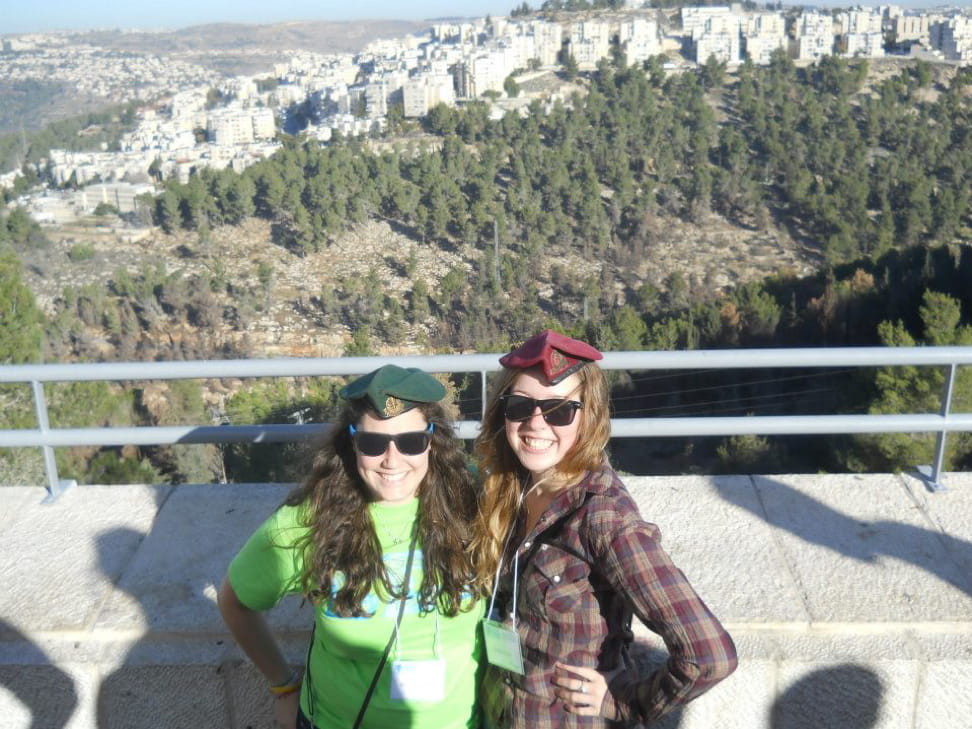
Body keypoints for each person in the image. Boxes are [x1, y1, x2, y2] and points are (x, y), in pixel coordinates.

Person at [472, 330, 737, 728]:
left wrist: (625, 703)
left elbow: (709, 655)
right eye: (520, 406)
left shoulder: (601, 517)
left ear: (589, 415)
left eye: (559, 410)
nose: (535, 424)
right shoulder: (510, 487)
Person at [218, 364, 483, 729]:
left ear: (433, 441)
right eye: (373, 444)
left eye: (411, 441)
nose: (392, 460)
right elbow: (236, 602)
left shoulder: (473, 502)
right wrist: (283, 686)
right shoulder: (310, 520)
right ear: (352, 442)